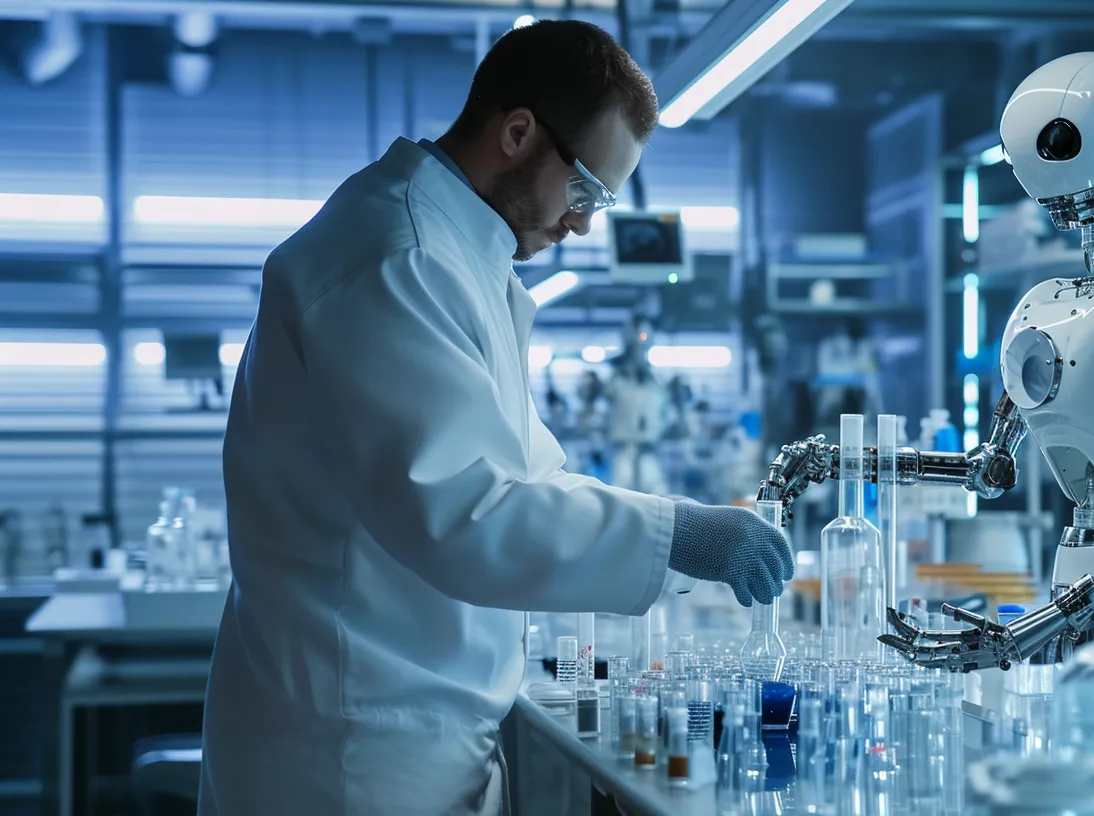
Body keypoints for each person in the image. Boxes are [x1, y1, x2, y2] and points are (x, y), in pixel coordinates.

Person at [198, 20, 792, 816]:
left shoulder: (459, 254)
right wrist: (682, 532)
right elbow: (464, 512)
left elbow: (530, 476)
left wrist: (670, 540)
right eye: (584, 192)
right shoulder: (398, 258)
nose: (582, 223)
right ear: (517, 133)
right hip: (352, 753)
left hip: (411, 731)